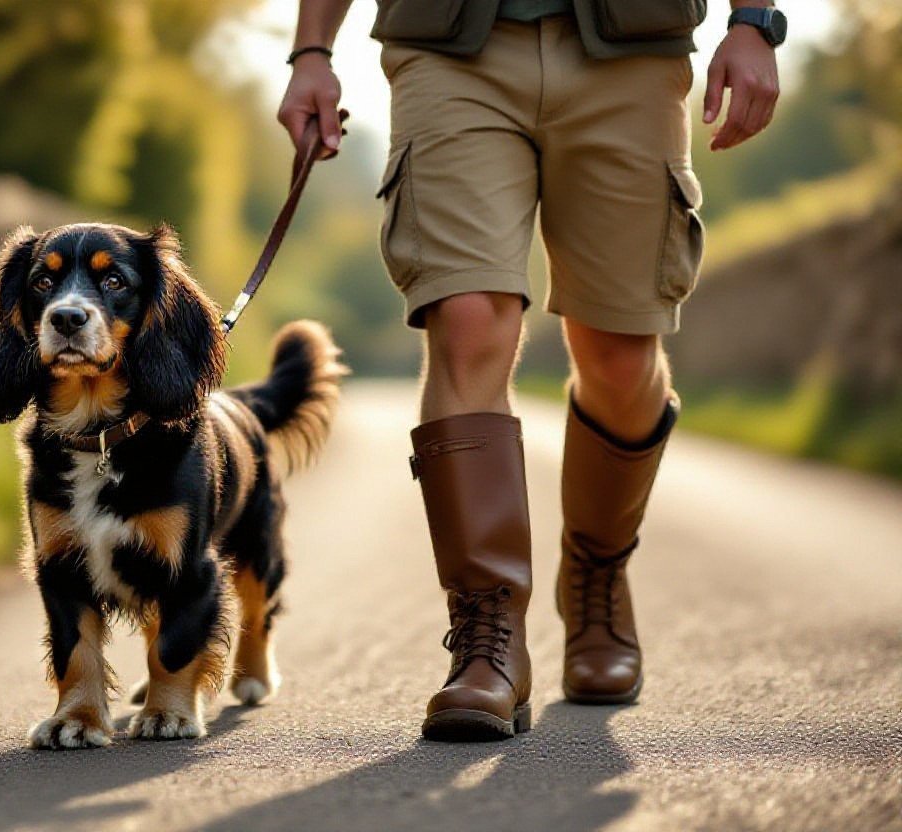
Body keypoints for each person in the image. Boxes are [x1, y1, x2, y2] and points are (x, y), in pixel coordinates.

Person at [278, 0, 785, 741]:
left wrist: (754, 20)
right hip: (449, 48)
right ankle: (489, 637)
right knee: (468, 317)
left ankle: (596, 575)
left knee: (619, 350)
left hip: (629, 47)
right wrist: (310, 52)